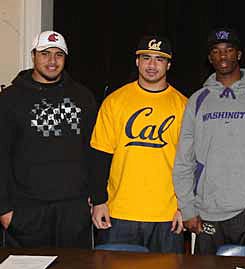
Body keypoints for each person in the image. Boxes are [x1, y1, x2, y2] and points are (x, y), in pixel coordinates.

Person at [172, 27, 245, 255]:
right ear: (209, 58)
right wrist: (187, 208)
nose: (222, 56)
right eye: (215, 51)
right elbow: (184, 160)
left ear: (239, 54)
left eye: (228, 50)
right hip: (207, 209)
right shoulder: (197, 100)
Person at [0, 30, 97, 248]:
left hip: (74, 211)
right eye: (45, 54)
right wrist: (4, 210)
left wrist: (96, 196)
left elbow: (94, 151)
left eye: (58, 54)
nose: (52, 61)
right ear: (33, 56)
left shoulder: (83, 97)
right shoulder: (9, 99)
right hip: (27, 212)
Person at [90, 35, 187, 253]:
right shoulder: (115, 101)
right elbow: (99, 156)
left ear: (169, 64)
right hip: (119, 212)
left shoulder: (183, 105)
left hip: (167, 214)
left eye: (159, 59)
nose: (151, 65)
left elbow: (190, 163)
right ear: (137, 61)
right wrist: (98, 201)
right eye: (146, 58)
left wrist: (185, 207)